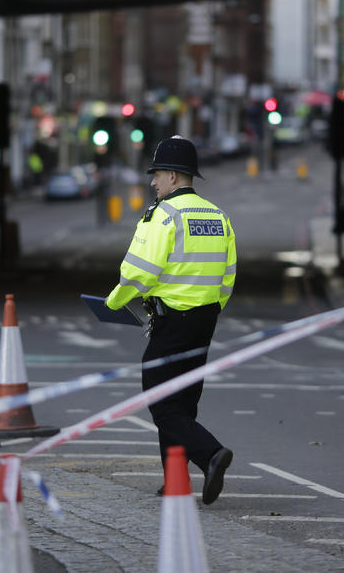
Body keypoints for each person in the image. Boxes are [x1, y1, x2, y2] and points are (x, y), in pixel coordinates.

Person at [105, 135, 236, 505]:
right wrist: (209, 308)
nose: (153, 183)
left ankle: (211, 454)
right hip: (205, 321)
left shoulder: (163, 216)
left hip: (171, 322)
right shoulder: (218, 217)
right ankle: (175, 481)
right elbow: (228, 277)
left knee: (162, 402)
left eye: (157, 175)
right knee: (182, 404)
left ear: (175, 177)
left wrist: (114, 302)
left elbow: (138, 273)